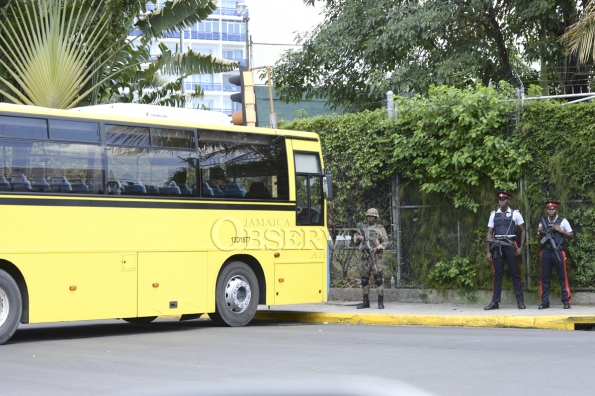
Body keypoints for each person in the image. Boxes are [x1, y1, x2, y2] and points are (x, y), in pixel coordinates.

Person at [485, 192, 526, 310]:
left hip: (510, 245)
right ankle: (495, 302)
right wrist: (488, 251)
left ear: (508, 200)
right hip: (497, 246)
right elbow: (489, 233)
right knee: (497, 274)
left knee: (515, 273)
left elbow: (523, 230)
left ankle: (520, 301)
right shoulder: (494, 215)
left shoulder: (516, 214)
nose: (501, 201)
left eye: (503, 199)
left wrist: (521, 247)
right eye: (499, 200)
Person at [537, 201, 574, 310]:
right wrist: (539, 232)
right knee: (545, 277)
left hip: (559, 251)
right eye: (549, 209)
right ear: (547, 210)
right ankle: (544, 301)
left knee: (563, 276)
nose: (551, 210)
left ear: (557, 210)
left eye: (553, 209)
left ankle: (566, 301)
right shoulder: (542, 221)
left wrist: (561, 231)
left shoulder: (563, 221)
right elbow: (539, 240)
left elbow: (571, 235)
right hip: (546, 252)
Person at [354, 208, 389, 309]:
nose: (370, 218)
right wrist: (358, 237)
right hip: (365, 257)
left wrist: (377, 248)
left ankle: (380, 302)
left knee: (378, 279)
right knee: (364, 280)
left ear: (376, 217)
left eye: (372, 216)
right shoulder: (362, 228)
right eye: (368, 216)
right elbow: (355, 240)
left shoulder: (380, 228)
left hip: (376, 257)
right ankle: (366, 302)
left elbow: (386, 242)